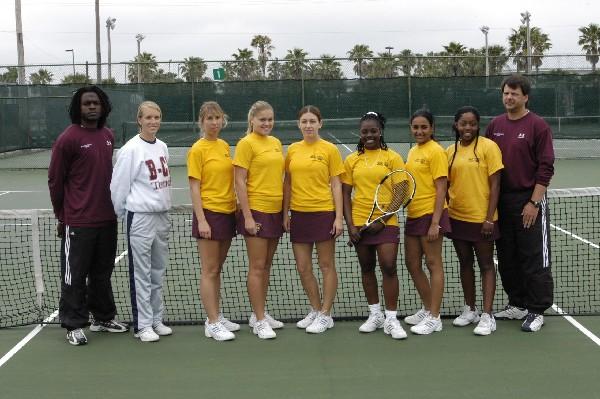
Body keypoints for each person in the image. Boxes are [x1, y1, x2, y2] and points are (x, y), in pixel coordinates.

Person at [48, 85, 128, 346]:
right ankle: (73, 324)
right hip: (79, 222)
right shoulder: (67, 139)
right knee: (74, 275)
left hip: (107, 219)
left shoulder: (107, 135)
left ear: (103, 106)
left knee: (102, 274)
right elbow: (55, 181)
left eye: (96, 103)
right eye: (87, 103)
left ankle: (103, 317)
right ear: (78, 108)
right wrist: (62, 217)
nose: (92, 107)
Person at [485, 74, 555, 332]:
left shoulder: (538, 126)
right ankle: (517, 303)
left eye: (514, 93)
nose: (509, 97)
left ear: (525, 97)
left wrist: (533, 203)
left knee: (533, 257)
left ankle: (536, 310)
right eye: (506, 93)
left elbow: (546, 167)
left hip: (529, 201)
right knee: (507, 257)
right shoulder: (494, 125)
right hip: (502, 202)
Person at [341, 111, 408, 340]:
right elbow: (346, 193)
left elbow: (401, 192)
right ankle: (375, 314)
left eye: (373, 131)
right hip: (360, 222)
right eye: (364, 132)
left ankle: (391, 318)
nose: (369, 135)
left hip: (386, 222)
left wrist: (383, 219)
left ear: (380, 132)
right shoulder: (352, 160)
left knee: (388, 266)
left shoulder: (393, 157)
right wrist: (350, 225)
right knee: (366, 267)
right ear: (360, 134)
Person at [111, 101, 172, 342]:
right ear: (139, 120)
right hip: (140, 218)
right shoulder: (130, 150)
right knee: (141, 273)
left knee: (158, 271)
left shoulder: (163, 147)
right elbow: (118, 186)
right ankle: (143, 325)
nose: (153, 121)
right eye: (148, 117)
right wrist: (122, 212)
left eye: (157, 117)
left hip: (161, 217)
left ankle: (156, 319)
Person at [282, 105, 344, 334]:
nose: (308, 125)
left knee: (326, 265)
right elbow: (287, 183)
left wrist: (338, 218)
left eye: (312, 121)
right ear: (299, 124)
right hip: (299, 214)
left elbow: (336, 183)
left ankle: (326, 313)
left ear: (320, 123)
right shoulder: (293, 150)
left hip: (323, 213)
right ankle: (317, 310)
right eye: (304, 121)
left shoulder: (330, 150)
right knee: (303, 267)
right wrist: (285, 213)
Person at [446, 106, 503, 336]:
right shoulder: (450, 151)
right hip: (458, 218)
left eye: (471, 123)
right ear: (456, 125)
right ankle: (470, 309)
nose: (467, 128)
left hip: (483, 219)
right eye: (463, 123)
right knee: (464, 263)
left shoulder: (489, 147)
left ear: (478, 125)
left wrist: (489, 218)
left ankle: (488, 316)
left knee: (486, 264)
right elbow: (447, 184)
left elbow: (496, 184)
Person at [187, 101, 240, 341]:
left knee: (217, 268)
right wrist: (202, 220)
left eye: (217, 118)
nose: (214, 122)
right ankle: (213, 322)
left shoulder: (224, 146)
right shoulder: (197, 149)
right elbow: (194, 189)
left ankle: (215, 316)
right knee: (209, 270)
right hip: (208, 214)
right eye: (209, 118)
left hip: (228, 213)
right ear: (202, 122)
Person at [233, 100, 285, 339]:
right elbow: (239, 181)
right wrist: (248, 217)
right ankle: (260, 319)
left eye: (270, 119)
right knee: (256, 267)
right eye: (262, 119)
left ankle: (259, 314)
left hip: (275, 211)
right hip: (256, 210)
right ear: (252, 120)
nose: (266, 123)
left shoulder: (275, 143)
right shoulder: (246, 144)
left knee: (266, 266)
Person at [403, 109, 450, 335]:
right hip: (413, 214)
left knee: (433, 263)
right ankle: (428, 307)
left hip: (431, 214)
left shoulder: (436, 151)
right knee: (412, 263)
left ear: (432, 128)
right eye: (415, 127)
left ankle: (435, 317)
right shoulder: (412, 151)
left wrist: (435, 222)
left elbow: (442, 188)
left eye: (424, 127)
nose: (419, 131)